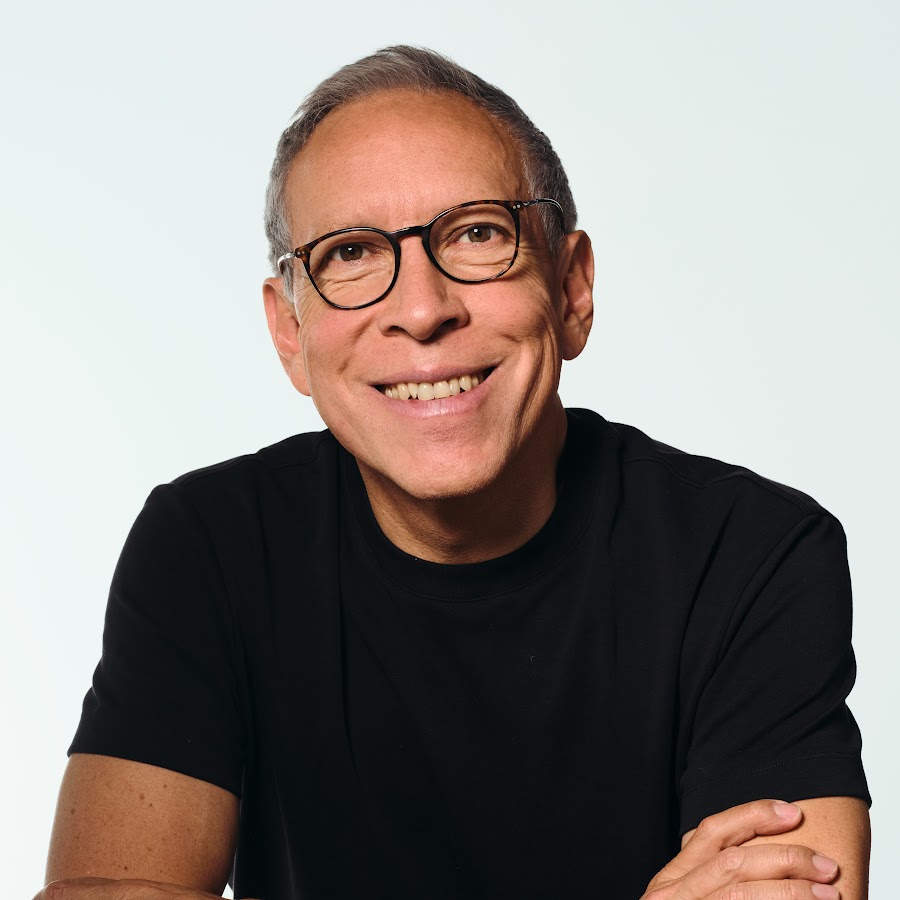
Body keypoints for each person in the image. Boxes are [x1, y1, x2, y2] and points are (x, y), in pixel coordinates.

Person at [38, 46, 870, 900]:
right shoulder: (208, 547)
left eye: (478, 234)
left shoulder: (753, 553)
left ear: (572, 288)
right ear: (291, 333)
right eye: (352, 252)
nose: (422, 309)